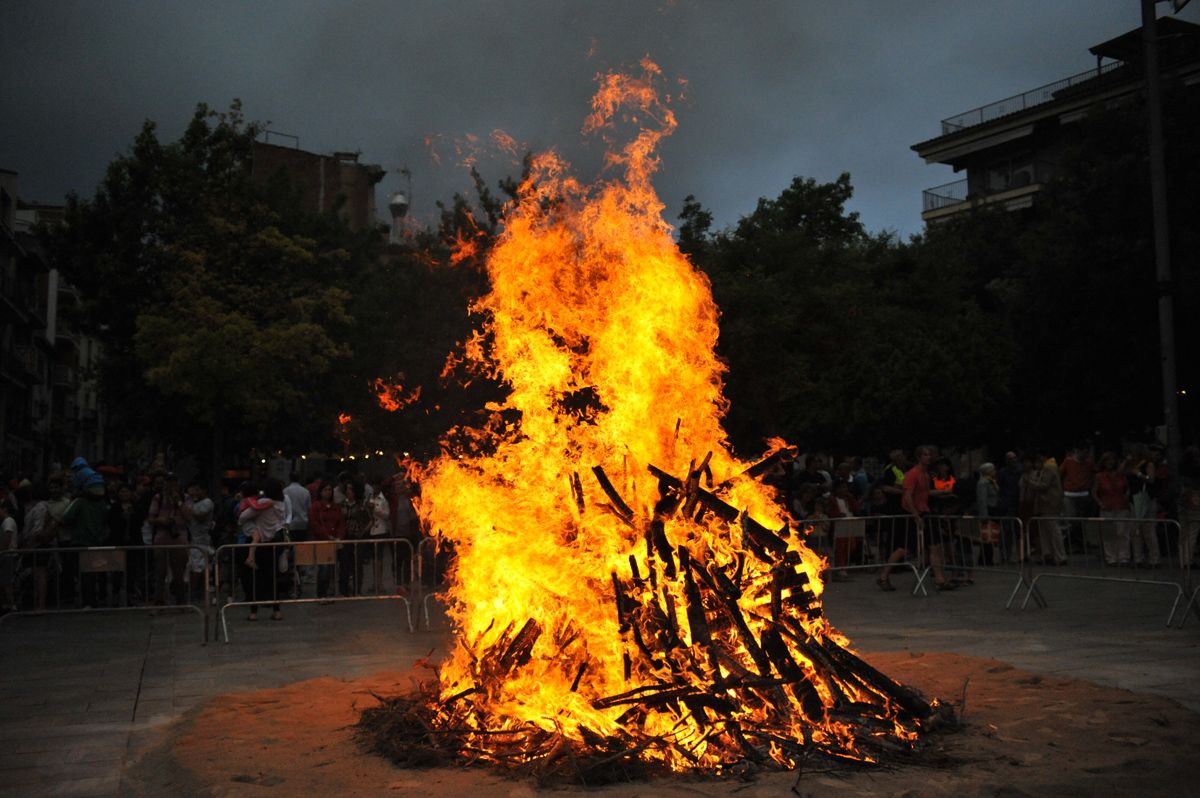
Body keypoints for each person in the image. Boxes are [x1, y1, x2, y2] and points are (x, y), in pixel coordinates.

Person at [879, 446, 956, 591]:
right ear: (919, 457)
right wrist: (915, 516)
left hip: (924, 514)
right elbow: (907, 496)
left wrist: (944, 492)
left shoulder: (925, 475)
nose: (929, 457)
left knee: (934, 545)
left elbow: (925, 494)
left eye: (929, 454)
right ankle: (884, 575)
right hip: (915, 515)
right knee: (905, 548)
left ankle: (940, 579)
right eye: (925, 455)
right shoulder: (913, 474)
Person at [238, 478, 288, 621]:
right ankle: (277, 610)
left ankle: (254, 612)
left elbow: (243, 516)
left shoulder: (263, 503)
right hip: (275, 543)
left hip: (260, 543)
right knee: (273, 577)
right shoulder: (281, 504)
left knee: (255, 578)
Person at [147, 474, 189, 605]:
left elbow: (189, 516)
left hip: (179, 537)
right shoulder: (158, 498)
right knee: (160, 571)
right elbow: (151, 518)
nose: (172, 486)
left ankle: (180, 600)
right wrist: (161, 520)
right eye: (169, 483)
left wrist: (179, 502)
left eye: (174, 483)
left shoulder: (185, 497)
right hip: (162, 537)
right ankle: (159, 601)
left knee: (179, 572)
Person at [1024, 450, 1067, 565]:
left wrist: (1030, 482)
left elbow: (1043, 485)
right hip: (1046, 504)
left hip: (1049, 503)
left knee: (1052, 530)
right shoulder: (1051, 466)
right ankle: (1049, 554)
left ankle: (1059, 555)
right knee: (1047, 530)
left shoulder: (1049, 467)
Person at [1092, 451, 1131, 567]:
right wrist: (1100, 503)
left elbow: (1127, 488)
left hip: (1121, 506)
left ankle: (1123, 557)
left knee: (1123, 533)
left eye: (1112, 460)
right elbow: (1094, 492)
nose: (1110, 462)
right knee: (1109, 534)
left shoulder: (1122, 475)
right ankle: (1111, 558)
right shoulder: (1099, 476)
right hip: (1107, 507)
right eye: (1107, 460)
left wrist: (1126, 497)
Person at [1125, 444, 1160, 568]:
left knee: (1148, 530)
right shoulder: (1131, 466)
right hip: (1134, 500)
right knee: (1135, 531)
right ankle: (1138, 558)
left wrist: (1139, 474)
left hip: (1146, 499)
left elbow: (1151, 479)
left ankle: (1154, 558)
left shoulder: (1148, 464)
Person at [309, 482, 344, 600]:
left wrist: (339, 536)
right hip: (322, 541)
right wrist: (326, 536)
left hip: (334, 540)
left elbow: (340, 523)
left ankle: (329, 591)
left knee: (331, 567)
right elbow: (314, 524)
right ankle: (321, 593)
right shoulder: (316, 506)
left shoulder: (335, 507)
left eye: (330, 490)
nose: (328, 492)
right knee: (324, 568)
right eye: (325, 490)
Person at [1059, 444, 1095, 550]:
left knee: (1081, 522)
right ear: (1077, 451)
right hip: (1070, 494)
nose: (1085, 455)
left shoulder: (1089, 463)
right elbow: (1059, 474)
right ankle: (1064, 543)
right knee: (1070, 520)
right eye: (1083, 452)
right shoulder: (1068, 461)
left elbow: (1093, 475)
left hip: (1084, 494)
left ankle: (1079, 542)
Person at [185, 483, 215, 599]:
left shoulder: (207, 502)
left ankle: (197, 591)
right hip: (195, 538)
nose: (195, 492)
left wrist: (186, 508)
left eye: (197, 490)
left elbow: (200, 516)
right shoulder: (194, 503)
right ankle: (199, 590)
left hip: (201, 540)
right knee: (197, 566)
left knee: (198, 566)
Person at [975, 462, 1001, 566]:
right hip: (988, 511)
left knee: (992, 535)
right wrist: (984, 515)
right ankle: (986, 559)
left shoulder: (992, 482)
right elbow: (982, 500)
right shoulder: (983, 483)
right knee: (987, 536)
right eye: (993, 470)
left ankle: (987, 558)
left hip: (994, 510)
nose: (995, 472)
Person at [0, 503, 17, 613]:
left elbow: (7, 537)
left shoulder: (8, 521)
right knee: (3, 581)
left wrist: (2, 551)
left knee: (6, 581)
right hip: (6, 554)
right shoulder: (6, 522)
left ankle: (11, 604)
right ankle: (6, 604)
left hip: (7, 555)